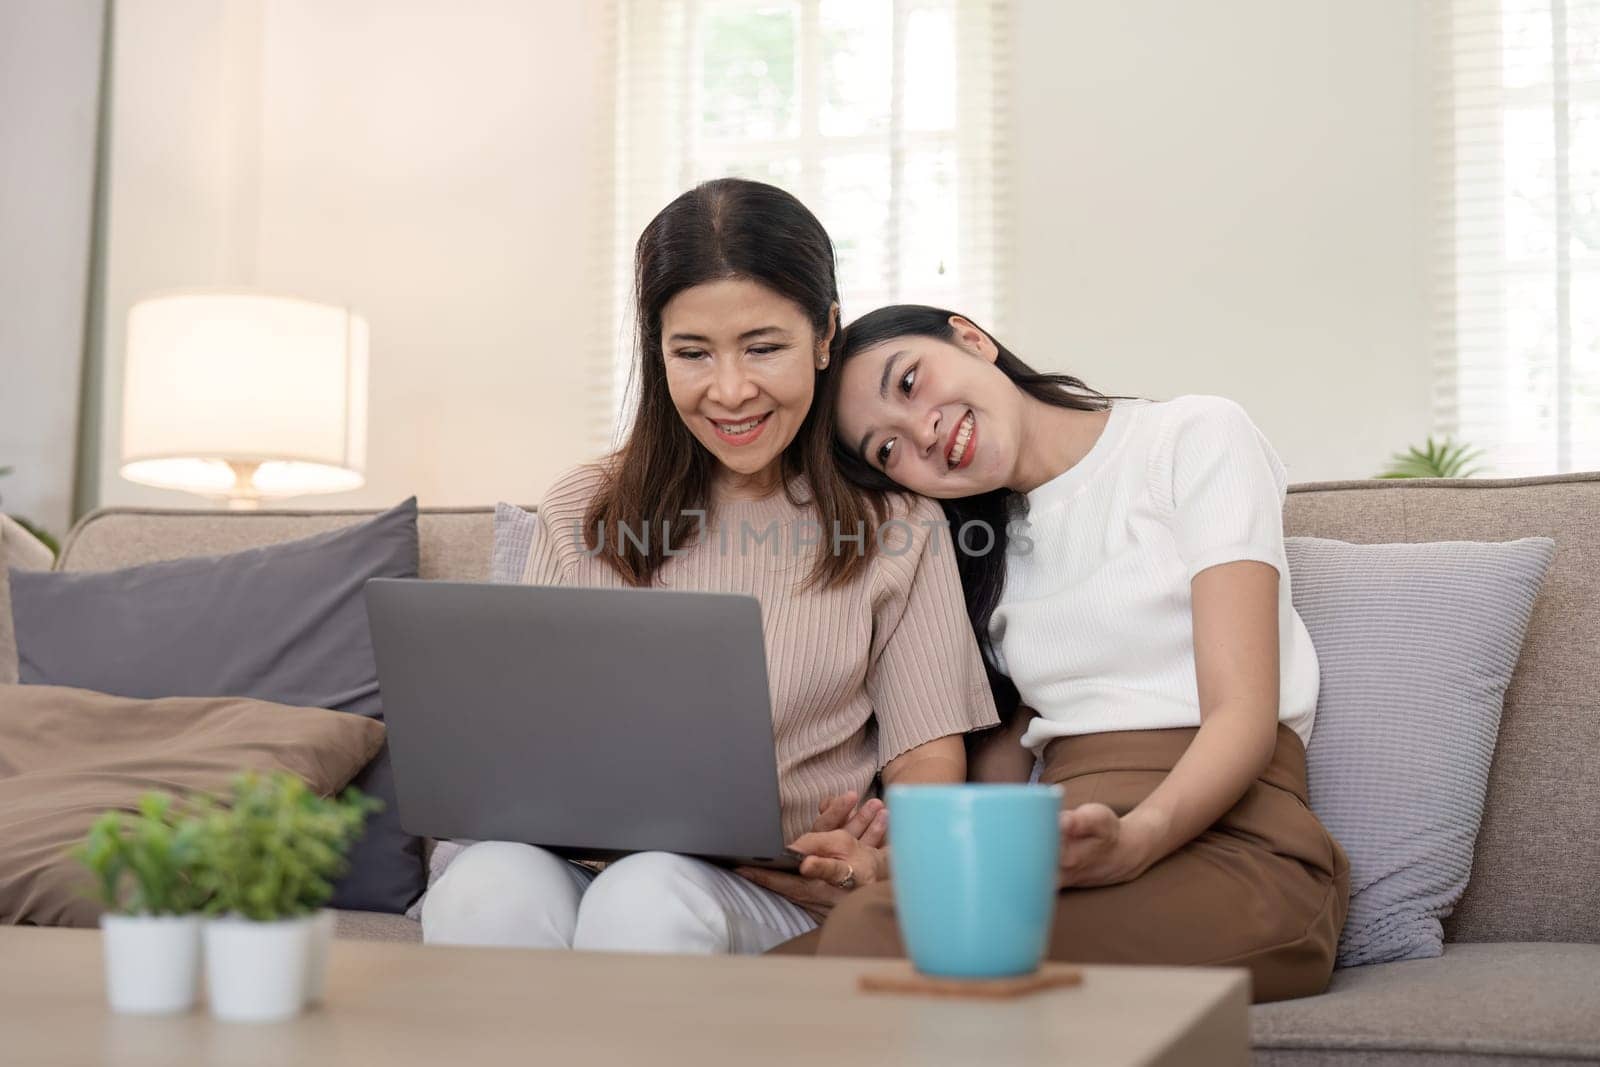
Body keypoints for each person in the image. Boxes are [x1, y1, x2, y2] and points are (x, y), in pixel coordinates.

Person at [420, 186, 998, 955]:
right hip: (576, 860)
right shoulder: (581, 506)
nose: (729, 391)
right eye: (692, 352)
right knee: (483, 887)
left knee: (648, 894)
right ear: (656, 351)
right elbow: (529, 734)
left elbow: (924, 751)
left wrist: (881, 858)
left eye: (763, 347)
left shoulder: (897, 525)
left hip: (767, 886)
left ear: (825, 333)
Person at [808, 305, 1348, 1002]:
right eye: (887, 450)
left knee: (866, 941)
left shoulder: (1193, 435)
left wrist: (1137, 839)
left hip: (1239, 850)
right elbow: (1001, 788)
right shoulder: (981, 556)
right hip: (1065, 853)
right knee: (755, 982)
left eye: (909, 382)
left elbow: (1243, 713)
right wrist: (891, 867)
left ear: (971, 337)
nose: (923, 432)